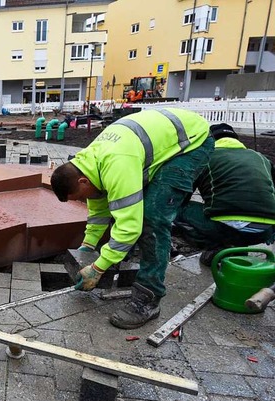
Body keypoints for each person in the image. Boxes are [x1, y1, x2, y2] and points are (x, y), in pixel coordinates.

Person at [50, 108, 214, 329]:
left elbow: (129, 227)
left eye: (80, 197)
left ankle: (148, 299)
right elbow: (99, 210)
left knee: (152, 218)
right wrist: (87, 247)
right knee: (137, 208)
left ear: (82, 182)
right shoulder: (89, 163)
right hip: (162, 140)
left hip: (192, 144)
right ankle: (140, 252)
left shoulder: (117, 165)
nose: (83, 200)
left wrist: (97, 269)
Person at [173, 123, 275, 266]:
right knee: (239, 212)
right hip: (265, 231)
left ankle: (218, 248)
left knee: (175, 208)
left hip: (228, 228)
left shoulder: (205, 158)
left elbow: (183, 195)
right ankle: (237, 249)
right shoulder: (261, 158)